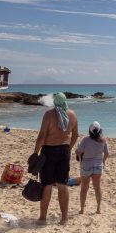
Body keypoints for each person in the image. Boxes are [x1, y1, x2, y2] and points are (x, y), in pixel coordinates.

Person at [33, 92, 78, 225]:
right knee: (62, 184)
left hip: (49, 150)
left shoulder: (48, 115)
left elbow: (42, 136)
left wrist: (35, 153)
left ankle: (43, 218)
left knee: (47, 184)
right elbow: (75, 135)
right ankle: (64, 218)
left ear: (55, 102)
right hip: (64, 150)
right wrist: (69, 148)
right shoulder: (72, 115)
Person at [75, 121, 110, 214]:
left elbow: (78, 152)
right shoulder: (103, 141)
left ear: (90, 131)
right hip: (98, 166)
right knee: (97, 188)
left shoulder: (85, 140)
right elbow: (107, 153)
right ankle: (98, 209)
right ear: (100, 131)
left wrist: (77, 151)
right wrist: (103, 161)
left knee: (84, 188)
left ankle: (82, 209)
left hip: (86, 165)